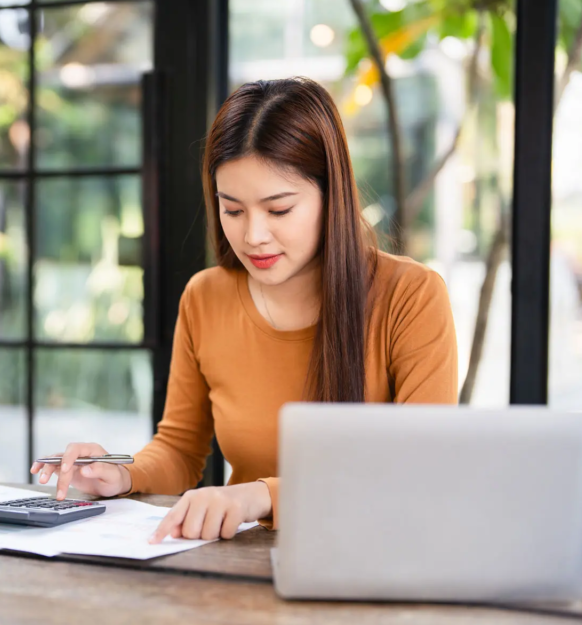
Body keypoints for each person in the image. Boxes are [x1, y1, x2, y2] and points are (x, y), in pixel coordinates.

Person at [31, 77, 458, 544]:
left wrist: (258, 497)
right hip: (242, 564)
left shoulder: (410, 296)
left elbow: (421, 470)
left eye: (278, 210)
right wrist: (121, 474)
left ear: (331, 196)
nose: (253, 235)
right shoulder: (205, 296)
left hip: (374, 561)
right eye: (232, 210)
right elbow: (178, 448)